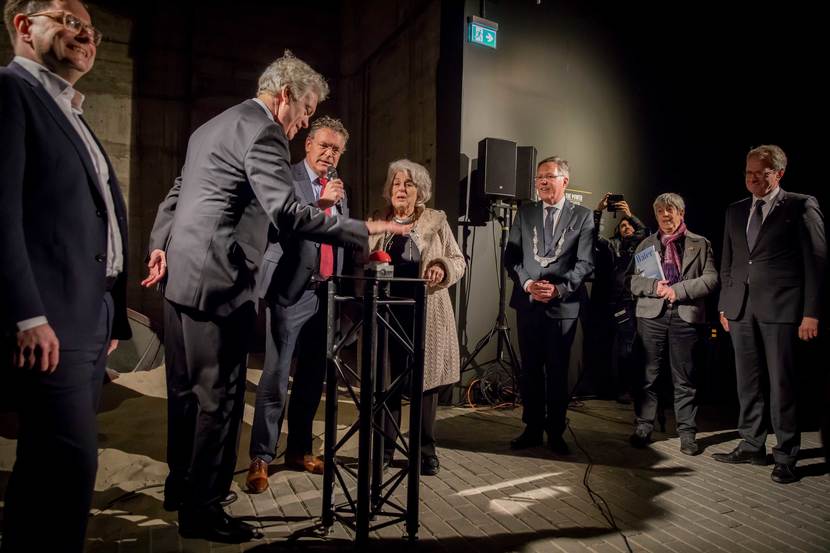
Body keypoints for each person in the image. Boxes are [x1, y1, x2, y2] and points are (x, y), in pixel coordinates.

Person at [142, 52, 404, 542]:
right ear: (284, 95)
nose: (303, 120)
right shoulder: (262, 131)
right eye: (305, 108)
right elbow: (288, 213)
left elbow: (176, 195)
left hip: (180, 279)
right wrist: (363, 228)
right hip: (220, 284)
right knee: (218, 401)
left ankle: (180, 488)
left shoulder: (211, 127)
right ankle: (204, 509)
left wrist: (160, 246)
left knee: (183, 394)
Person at [0, 1, 130, 550]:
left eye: (92, 29)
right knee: (68, 467)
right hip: (49, 320)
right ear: (24, 26)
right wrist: (26, 314)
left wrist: (112, 316)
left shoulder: (69, 109)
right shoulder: (10, 93)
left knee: (50, 465)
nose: (86, 36)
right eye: (69, 21)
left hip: (88, 316)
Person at [246, 116, 352, 493]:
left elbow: (338, 237)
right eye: (324, 145)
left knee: (312, 378)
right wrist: (317, 203)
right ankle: (261, 456)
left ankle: (299, 450)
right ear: (307, 144)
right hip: (291, 291)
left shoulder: (339, 189)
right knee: (275, 376)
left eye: (336, 149)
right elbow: (274, 228)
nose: (329, 153)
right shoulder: (286, 178)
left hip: (326, 294)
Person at [714, 144, 826, 484]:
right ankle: (752, 444)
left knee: (782, 384)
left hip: (782, 309)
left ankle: (786, 454)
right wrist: (725, 303)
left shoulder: (800, 205)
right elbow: (729, 263)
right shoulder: (735, 211)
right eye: (747, 173)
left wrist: (812, 313)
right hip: (740, 309)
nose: (751, 179)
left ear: (778, 173)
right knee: (747, 382)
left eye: (759, 174)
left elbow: (817, 262)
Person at [367, 159, 465, 476]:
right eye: (396, 182)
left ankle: (424, 451)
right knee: (387, 384)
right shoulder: (378, 221)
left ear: (419, 191)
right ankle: (384, 449)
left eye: (408, 183)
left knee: (425, 387)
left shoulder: (436, 221)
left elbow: (458, 260)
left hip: (426, 314)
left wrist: (442, 267)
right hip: (386, 314)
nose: (401, 188)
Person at [505, 156, 594, 455]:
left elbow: (584, 264)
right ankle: (531, 428)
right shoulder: (526, 212)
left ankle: (555, 431)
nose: (542, 181)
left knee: (557, 371)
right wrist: (529, 284)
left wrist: (558, 289)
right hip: (529, 303)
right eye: (539, 177)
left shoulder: (582, 216)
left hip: (562, 306)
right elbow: (512, 258)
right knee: (530, 370)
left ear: (564, 181)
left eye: (549, 176)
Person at [628, 193, 718, 455]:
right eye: (660, 212)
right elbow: (631, 281)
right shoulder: (645, 244)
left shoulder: (700, 244)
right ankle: (644, 426)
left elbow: (711, 279)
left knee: (685, 378)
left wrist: (678, 291)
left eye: (670, 211)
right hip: (651, 316)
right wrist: (654, 286)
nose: (665, 216)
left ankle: (687, 433)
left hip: (685, 315)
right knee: (648, 376)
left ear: (681, 213)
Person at [590, 193, 649, 402]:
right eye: (623, 225)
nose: (626, 227)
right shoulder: (609, 245)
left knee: (627, 348)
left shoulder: (637, 245)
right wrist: (599, 211)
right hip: (606, 302)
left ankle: (627, 389)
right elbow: (593, 236)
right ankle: (605, 389)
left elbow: (644, 232)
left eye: (629, 225)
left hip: (628, 302)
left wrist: (628, 214)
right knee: (603, 348)